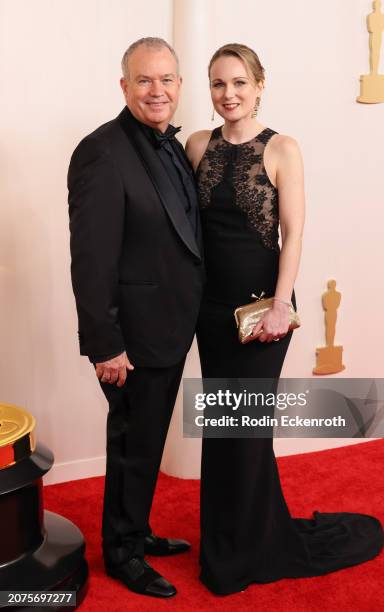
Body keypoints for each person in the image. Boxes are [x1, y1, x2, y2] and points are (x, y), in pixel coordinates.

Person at [186, 43, 384, 596]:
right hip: (211, 310)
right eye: (218, 84)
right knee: (222, 427)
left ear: (260, 85)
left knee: (247, 431)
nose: (229, 94)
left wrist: (280, 304)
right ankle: (231, 538)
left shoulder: (283, 149)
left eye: (239, 83)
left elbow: (292, 232)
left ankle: (248, 550)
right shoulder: (197, 145)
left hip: (260, 310)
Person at [68, 37, 204, 598]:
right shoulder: (101, 151)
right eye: (145, 80)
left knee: (146, 443)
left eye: (167, 79)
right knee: (133, 444)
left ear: (179, 84)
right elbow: (91, 257)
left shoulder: (170, 146)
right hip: (131, 339)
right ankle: (122, 554)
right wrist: (105, 343)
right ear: (124, 86)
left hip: (170, 326)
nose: (158, 90)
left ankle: (137, 530)